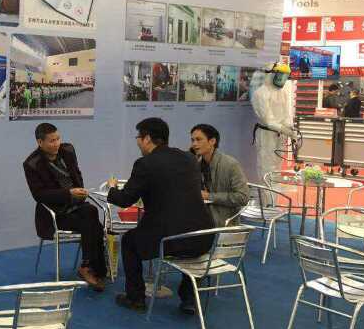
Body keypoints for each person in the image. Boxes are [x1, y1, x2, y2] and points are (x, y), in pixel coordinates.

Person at [107, 118, 213, 314]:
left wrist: (112, 188)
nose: (137, 142)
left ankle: (135, 298)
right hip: (204, 237)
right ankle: (189, 297)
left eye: (138, 137)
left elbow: (125, 199)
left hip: (171, 240)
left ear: (147, 138)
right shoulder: (189, 159)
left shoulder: (145, 164)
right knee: (184, 229)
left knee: (129, 241)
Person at [23, 123, 106, 291]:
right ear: (40, 142)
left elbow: (77, 173)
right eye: (52, 141)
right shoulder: (32, 164)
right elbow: (39, 195)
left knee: (91, 212)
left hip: (77, 205)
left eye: (58, 139)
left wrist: (80, 190)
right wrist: (68, 194)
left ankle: (88, 265)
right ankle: (91, 267)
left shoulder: (68, 150)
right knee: (92, 223)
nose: (57, 144)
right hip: (56, 213)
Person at [190, 124, 249, 227]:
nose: (194, 144)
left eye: (198, 139)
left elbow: (242, 197)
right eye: (192, 140)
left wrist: (209, 196)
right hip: (201, 219)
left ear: (212, 141)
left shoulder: (230, 164)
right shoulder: (196, 164)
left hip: (223, 223)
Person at [251, 62, 295, 184]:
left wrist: (290, 128)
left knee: (278, 165)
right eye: (280, 75)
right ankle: (267, 196)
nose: (282, 79)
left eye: (285, 76)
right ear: (270, 74)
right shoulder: (261, 94)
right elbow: (268, 121)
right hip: (266, 135)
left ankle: (274, 194)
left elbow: (286, 113)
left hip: (280, 134)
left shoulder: (282, 92)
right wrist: (286, 130)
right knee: (266, 165)